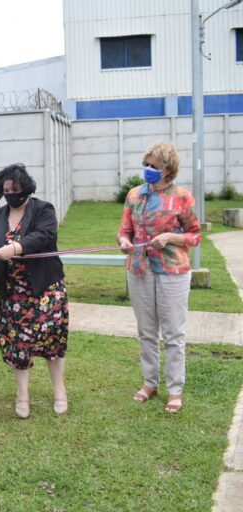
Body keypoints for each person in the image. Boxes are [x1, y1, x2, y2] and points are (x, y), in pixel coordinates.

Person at [0, 163, 69, 419]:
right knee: (18, 346)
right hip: (14, 295)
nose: (11, 194)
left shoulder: (43, 209)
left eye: (16, 189)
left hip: (46, 291)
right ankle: (22, 396)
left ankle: (59, 392)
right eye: (6, 190)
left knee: (53, 343)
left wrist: (14, 249)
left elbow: (44, 236)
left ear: (26, 188)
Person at [117, 141, 201, 414]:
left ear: (168, 169)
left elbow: (195, 235)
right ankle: (150, 383)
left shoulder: (182, 197)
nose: (148, 169)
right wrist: (124, 242)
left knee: (174, 333)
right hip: (139, 270)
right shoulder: (134, 195)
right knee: (146, 331)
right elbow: (124, 230)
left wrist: (170, 237)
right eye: (147, 164)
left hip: (172, 272)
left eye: (154, 166)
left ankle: (175, 390)